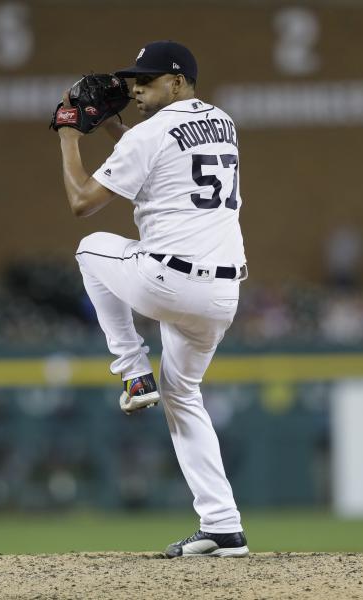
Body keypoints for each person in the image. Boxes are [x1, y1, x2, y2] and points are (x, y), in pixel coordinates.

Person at [54, 40, 249, 558]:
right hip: (222, 295)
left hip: (168, 283)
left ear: (179, 82)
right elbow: (157, 173)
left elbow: (82, 203)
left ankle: (132, 368)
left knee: (90, 248)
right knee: (183, 396)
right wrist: (117, 130)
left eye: (149, 79)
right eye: (135, 80)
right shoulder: (223, 122)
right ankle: (223, 525)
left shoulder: (154, 133)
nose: (137, 88)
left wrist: (71, 136)